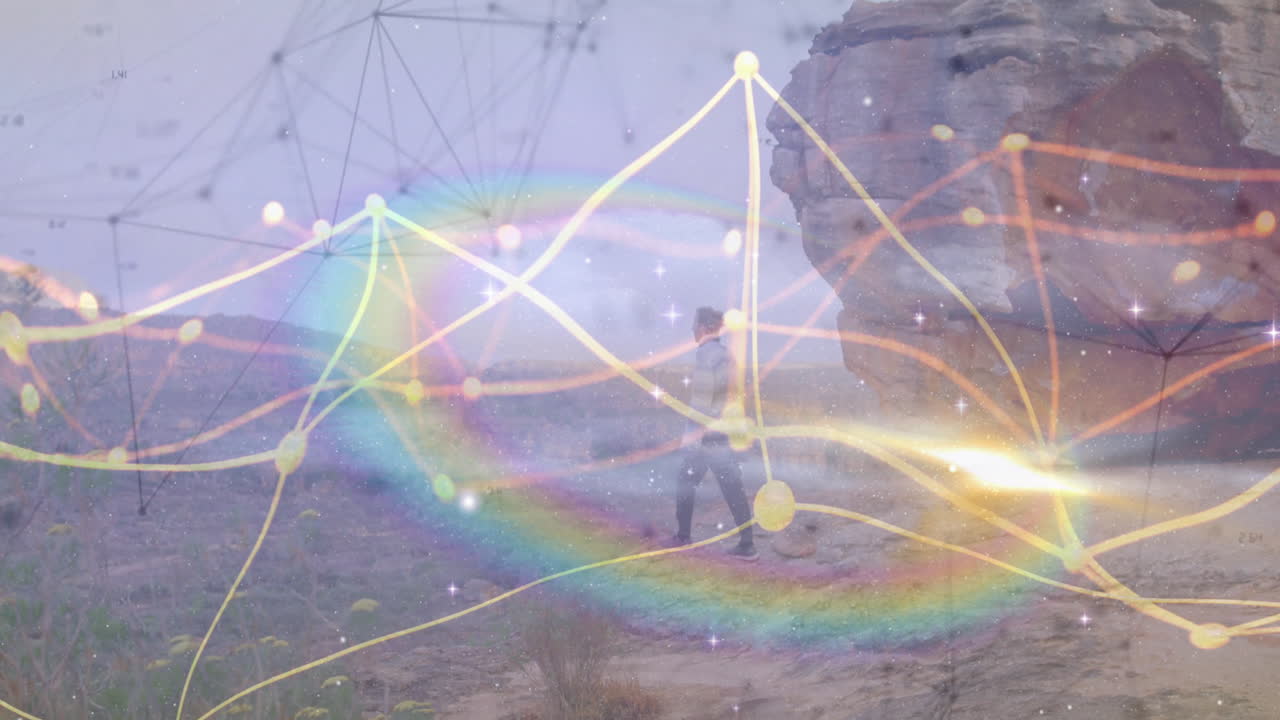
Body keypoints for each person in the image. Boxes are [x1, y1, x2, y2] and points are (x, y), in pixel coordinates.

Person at [667, 307, 758, 561]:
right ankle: (747, 544)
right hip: (723, 433)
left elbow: (701, 403)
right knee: (733, 489)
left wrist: (692, 438)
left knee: (685, 483)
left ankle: (683, 537)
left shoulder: (706, 355)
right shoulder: (726, 355)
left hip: (706, 437)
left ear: (705, 327)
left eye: (695, 324)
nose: (692, 330)